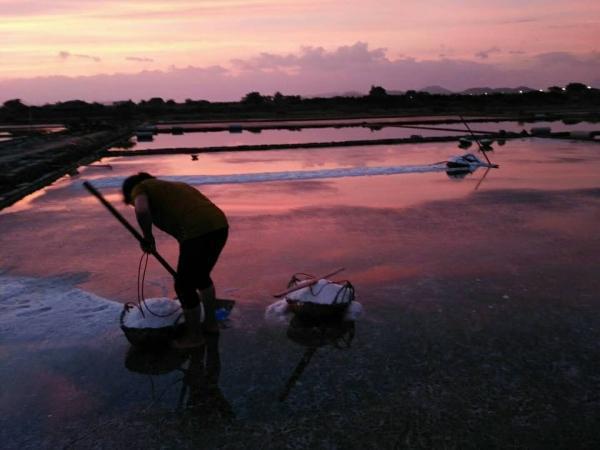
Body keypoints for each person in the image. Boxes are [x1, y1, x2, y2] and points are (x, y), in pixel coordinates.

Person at [122, 172, 228, 348]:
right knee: (201, 277)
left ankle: (194, 337)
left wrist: (148, 237)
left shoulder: (140, 187)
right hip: (219, 226)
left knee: (183, 285)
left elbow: (142, 209)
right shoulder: (173, 187)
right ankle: (210, 324)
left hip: (196, 230)